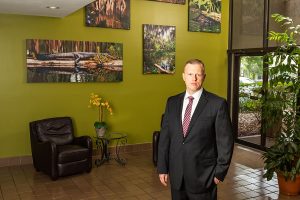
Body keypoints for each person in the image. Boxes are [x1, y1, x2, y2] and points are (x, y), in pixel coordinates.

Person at [157, 59, 234, 200]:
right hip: (177, 177)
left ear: (204, 76)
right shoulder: (172, 102)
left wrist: (219, 173)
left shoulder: (217, 104)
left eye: (198, 74)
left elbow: (225, 142)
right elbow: (165, 137)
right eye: (190, 74)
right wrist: (162, 167)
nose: (194, 78)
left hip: (204, 177)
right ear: (183, 76)